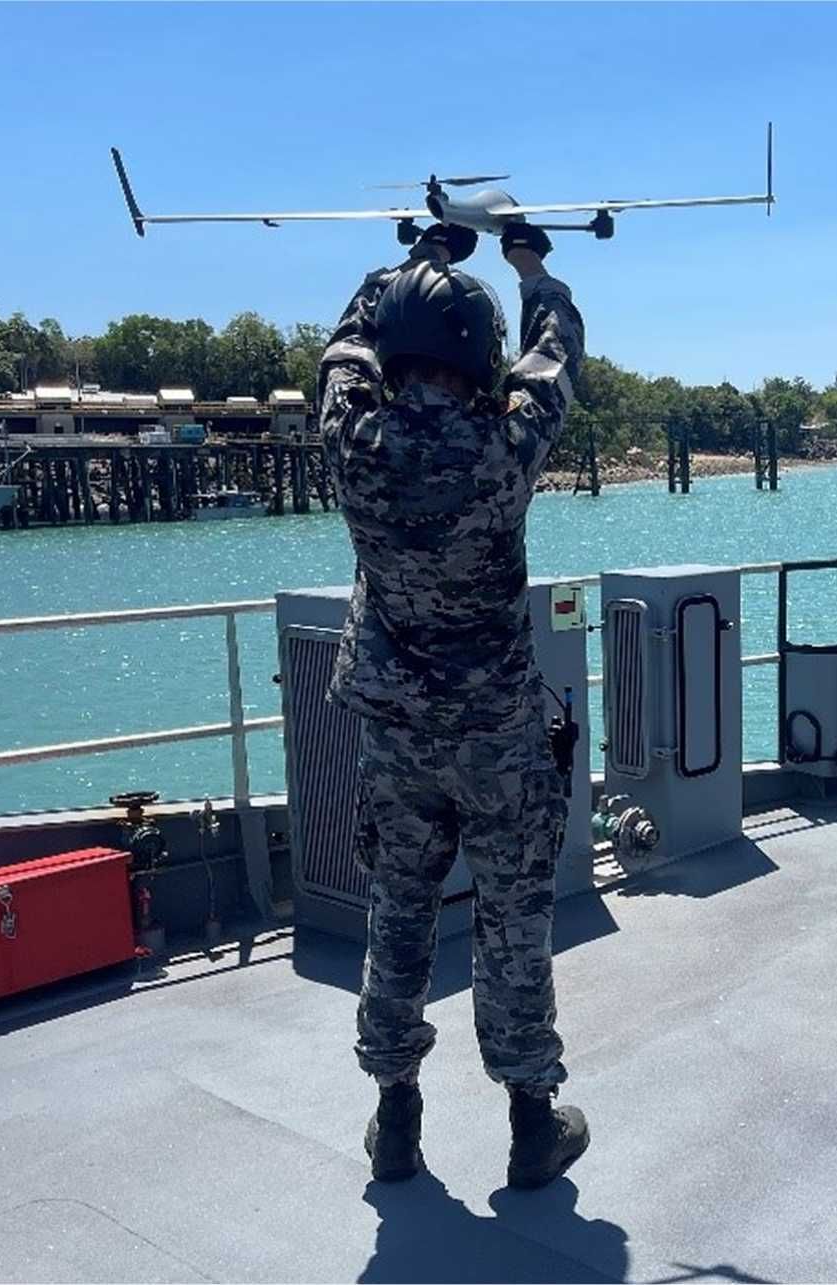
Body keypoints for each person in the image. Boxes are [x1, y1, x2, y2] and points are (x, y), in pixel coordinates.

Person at [317, 219, 590, 1188]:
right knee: (513, 922)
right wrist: (529, 265)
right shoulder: (503, 444)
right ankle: (528, 1123)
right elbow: (556, 349)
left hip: (395, 732)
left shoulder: (353, 436)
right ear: (476, 356)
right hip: (497, 736)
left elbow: (345, 347)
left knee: (397, 914)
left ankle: (395, 1118)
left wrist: (411, 264)